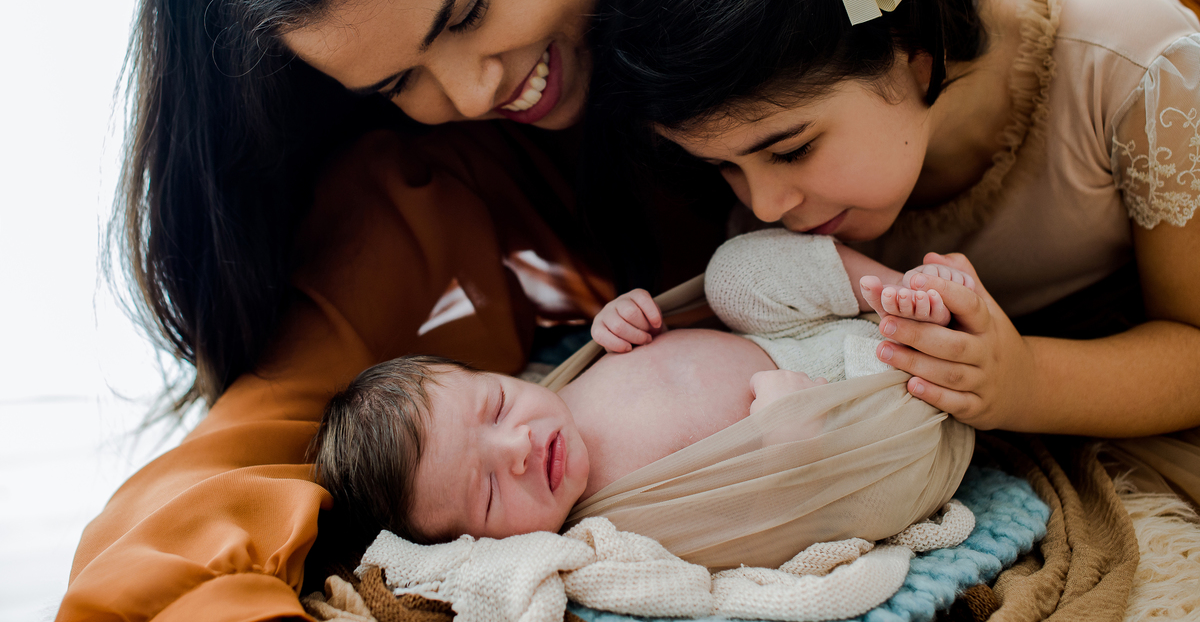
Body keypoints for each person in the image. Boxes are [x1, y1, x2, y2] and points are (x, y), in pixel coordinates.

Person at [61, 0, 1200, 617]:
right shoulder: (438, 162)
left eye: (467, 10)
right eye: (394, 80)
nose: (466, 95)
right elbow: (260, 434)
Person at [588, 0, 1200, 490]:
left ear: (914, 56)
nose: (762, 206)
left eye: (790, 150)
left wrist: (1023, 380)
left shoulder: (1134, 64)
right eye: (724, 167)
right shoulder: (789, 173)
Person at [312, 230, 974, 569]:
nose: (515, 448)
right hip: (855, 422)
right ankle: (939, 346)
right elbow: (751, 529)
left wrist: (626, 320)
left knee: (733, 272)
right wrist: (788, 431)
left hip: (798, 335)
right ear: (474, 545)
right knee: (889, 468)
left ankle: (902, 294)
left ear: (500, 376)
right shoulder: (608, 533)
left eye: (496, 407)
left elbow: (669, 332)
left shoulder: (560, 387)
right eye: (487, 491)